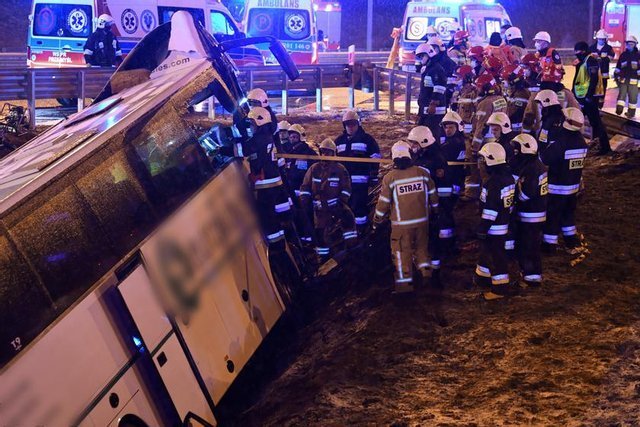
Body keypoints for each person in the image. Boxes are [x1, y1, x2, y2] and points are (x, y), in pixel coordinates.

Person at [373, 141, 439, 293]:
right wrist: (435, 212)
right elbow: (433, 195)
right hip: (423, 221)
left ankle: (404, 288)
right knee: (422, 249)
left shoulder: (390, 178)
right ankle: (426, 275)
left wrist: (377, 221)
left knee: (402, 254)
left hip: (401, 226)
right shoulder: (422, 173)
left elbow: (383, 203)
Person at [245, 107, 295, 248]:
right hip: (275, 185)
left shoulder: (259, 139)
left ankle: (277, 248)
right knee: (281, 218)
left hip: (266, 187)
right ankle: (286, 243)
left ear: (259, 122)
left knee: (268, 219)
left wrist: (221, 148)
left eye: (251, 123)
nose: (250, 127)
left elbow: (242, 149)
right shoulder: (267, 137)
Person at [299, 139, 356, 262]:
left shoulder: (340, 169)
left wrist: (342, 202)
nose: (325, 154)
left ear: (333, 153)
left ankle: (350, 252)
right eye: (323, 152)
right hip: (319, 211)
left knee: (348, 222)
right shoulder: (314, 169)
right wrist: (304, 201)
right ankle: (323, 259)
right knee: (320, 236)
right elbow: (305, 187)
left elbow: (346, 188)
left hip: (336, 208)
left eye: (328, 152)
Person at [540, 107, 587, 254]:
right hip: (573, 188)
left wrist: (544, 139)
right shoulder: (581, 141)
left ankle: (549, 245)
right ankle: (571, 242)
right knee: (568, 215)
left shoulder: (562, 141)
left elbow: (545, 158)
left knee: (552, 217)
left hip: (557, 188)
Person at [407, 126, 452, 281]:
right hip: (419, 206)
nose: (412, 146)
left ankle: (435, 274)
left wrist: (439, 208)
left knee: (432, 240)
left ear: (424, 142)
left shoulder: (437, 159)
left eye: (415, 143)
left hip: (432, 208)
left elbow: (444, 187)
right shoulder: (417, 156)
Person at [475, 142, 516, 300]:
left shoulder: (493, 183)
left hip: (493, 228)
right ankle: (482, 278)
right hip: (503, 224)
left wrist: (482, 228)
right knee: (487, 254)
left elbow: (491, 210)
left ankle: (500, 289)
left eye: (483, 160)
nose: (481, 164)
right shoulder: (508, 178)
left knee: (496, 258)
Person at [510, 134, 548, 288]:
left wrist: (513, 197)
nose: (515, 152)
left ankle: (532, 278)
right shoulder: (536, 165)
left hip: (530, 215)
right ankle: (529, 274)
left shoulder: (532, 169)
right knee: (530, 246)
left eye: (517, 149)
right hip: (535, 214)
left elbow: (525, 195)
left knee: (528, 247)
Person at [334, 110, 381, 233]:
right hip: (343, 183)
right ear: (344, 125)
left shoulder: (367, 139)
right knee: (344, 206)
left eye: (353, 124)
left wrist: (374, 176)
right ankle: (347, 232)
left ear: (358, 124)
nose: (350, 127)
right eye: (348, 124)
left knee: (359, 207)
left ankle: (361, 231)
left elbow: (375, 157)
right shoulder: (339, 141)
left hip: (360, 182)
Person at [468, 74, 508, 199]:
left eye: (479, 87)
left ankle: (480, 196)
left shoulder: (485, 103)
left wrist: (474, 148)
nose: (477, 89)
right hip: (498, 139)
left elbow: (481, 127)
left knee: (483, 171)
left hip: (485, 142)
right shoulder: (501, 99)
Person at [573, 41, 611, 155]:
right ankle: (599, 146)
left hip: (590, 98)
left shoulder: (591, 61)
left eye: (578, 52)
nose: (576, 54)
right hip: (583, 97)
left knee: (595, 122)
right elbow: (579, 79)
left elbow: (593, 79)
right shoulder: (584, 61)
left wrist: (589, 96)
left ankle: (605, 147)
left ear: (583, 51)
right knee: (577, 120)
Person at [416, 43, 447, 138]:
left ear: (428, 54)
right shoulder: (428, 69)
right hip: (427, 110)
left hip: (435, 112)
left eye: (422, 56)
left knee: (433, 135)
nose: (421, 59)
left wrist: (433, 104)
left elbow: (439, 87)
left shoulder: (436, 69)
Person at [614, 35, 640, 118]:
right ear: (626, 44)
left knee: (633, 98)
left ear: (635, 44)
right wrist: (616, 76)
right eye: (629, 44)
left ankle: (631, 113)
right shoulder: (623, 55)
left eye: (632, 44)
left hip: (634, 81)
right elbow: (618, 66)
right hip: (623, 80)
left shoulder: (638, 55)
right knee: (621, 96)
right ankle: (619, 110)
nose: (630, 45)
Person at [589, 29, 616, 107]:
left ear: (605, 39)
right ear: (597, 38)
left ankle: (600, 104)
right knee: (593, 87)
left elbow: (611, 57)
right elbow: (588, 59)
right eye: (600, 39)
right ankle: (593, 103)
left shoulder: (609, 48)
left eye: (603, 39)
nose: (601, 40)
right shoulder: (591, 48)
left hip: (604, 73)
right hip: (594, 73)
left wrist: (601, 59)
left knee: (603, 88)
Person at [503, 64, 530, 133]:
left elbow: (512, 112)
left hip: (517, 131)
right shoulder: (517, 91)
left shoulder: (521, 95)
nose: (504, 82)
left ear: (514, 80)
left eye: (506, 80)